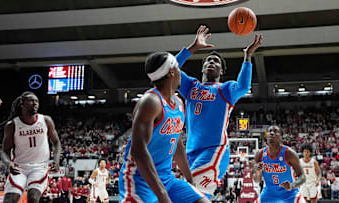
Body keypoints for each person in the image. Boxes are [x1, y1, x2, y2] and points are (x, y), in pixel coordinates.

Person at [174, 25, 263, 198]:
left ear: (221, 71)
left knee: (187, 195)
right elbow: (169, 69)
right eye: (208, 60)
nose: (211, 62)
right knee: (196, 197)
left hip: (214, 150)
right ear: (202, 68)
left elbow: (243, 86)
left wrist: (247, 57)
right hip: (191, 153)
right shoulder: (191, 85)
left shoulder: (226, 89)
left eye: (216, 61)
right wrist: (192, 48)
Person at [119, 51, 210, 203]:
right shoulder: (150, 102)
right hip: (140, 181)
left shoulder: (178, 102)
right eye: (179, 68)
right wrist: (162, 195)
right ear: (171, 72)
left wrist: (190, 180)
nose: (181, 73)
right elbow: (138, 151)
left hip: (167, 179)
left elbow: (177, 144)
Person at [0, 91, 61, 203]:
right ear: (22, 103)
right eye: (31, 101)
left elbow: (56, 142)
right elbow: (4, 150)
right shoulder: (12, 125)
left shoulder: (46, 120)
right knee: (9, 199)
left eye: (36, 101)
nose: (35, 103)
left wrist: (56, 160)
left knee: (33, 198)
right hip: (19, 167)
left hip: (40, 166)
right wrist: (9, 164)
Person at [253, 125, 306, 203]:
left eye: (275, 132)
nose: (271, 133)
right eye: (269, 131)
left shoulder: (289, 153)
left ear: (281, 137)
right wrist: (257, 173)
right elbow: (256, 180)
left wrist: (292, 185)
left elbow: (302, 176)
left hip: (290, 193)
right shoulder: (260, 154)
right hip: (269, 193)